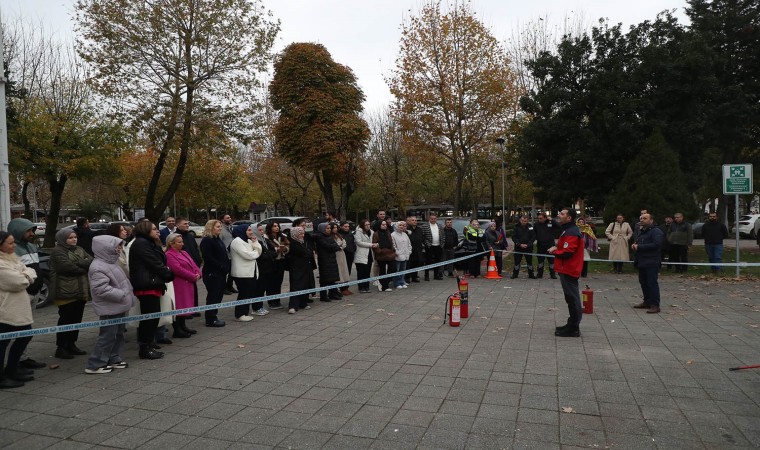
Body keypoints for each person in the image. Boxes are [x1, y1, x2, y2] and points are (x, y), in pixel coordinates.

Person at [85, 235, 136, 374]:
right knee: (107, 336)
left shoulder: (111, 263)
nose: (120, 248)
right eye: (117, 246)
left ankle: (113, 358)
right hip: (109, 307)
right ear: (106, 248)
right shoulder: (98, 267)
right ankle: (95, 363)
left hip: (118, 306)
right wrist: (121, 294)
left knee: (118, 334)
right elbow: (100, 289)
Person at [129, 221, 175, 359]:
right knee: (149, 318)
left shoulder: (149, 243)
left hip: (152, 283)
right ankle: (145, 347)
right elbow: (154, 263)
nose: (157, 231)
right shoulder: (141, 243)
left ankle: (149, 343)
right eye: (154, 229)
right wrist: (168, 274)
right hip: (147, 284)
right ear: (145, 230)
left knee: (153, 317)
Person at [0, 231, 38, 388]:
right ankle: (1, 377)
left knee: (25, 335)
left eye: (13, 242)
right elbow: (17, 282)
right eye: (10, 243)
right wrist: (26, 275)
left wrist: (26, 274)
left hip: (19, 309)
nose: (14, 245)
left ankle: (12, 368)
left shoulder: (11, 259)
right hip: (6, 310)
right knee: (2, 344)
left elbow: (30, 270)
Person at [7, 218, 46, 369]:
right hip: (22, 294)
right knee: (17, 328)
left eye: (32, 230)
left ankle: (23, 356)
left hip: (34, 293)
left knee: (27, 328)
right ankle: (13, 361)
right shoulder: (12, 250)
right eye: (28, 231)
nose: (31, 234)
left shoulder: (31, 246)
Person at [50, 228, 93, 359]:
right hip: (65, 291)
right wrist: (83, 265)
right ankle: (61, 347)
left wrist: (80, 262)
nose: (74, 239)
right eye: (70, 237)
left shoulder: (79, 249)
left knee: (76, 318)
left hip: (80, 290)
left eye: (75, 237)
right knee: (66, 319)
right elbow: (67, 267)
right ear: (63, 239)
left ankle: (71, 344)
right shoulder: (58, 251)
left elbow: (91, 260)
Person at [548, 208, 585, 337]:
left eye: (562, 214)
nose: (559, 215)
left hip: (569, 269)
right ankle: (571, 324)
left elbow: (568, 253)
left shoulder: (571, 232)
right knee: (570, 298)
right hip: (567, 268)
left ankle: (574, 328)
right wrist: (557, 248)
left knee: (572, 298)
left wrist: (555, 251)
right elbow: (565, 247)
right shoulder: (568, 230)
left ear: (569, 218)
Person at [164, 233, 200, 336]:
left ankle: (183, 326)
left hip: (188, 283)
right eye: (179, 242)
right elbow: (177, 269)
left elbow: (193, 264)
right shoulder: (169, 255)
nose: (182, 244)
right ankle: (177, 329)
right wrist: (192, 276)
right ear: (171, 244)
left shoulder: (184, 252)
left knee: (185, 304)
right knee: (179, 306)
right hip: (178, 284)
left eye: (182, 241)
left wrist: (198, 273)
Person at [229, 224, 262, 321]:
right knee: (244, 293)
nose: (251, 232)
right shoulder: (237, 241)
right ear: (242, 231)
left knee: (248, 293)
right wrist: (255, 253)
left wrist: (255, 242)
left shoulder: (247, 240)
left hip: (250, 272)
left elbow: (259, 250)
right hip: (242, 273)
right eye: (248, 230)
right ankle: (239, 314)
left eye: (251, 230)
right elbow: (248, 255)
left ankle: (244, 312)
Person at [199, 220, 230, 327]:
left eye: (220, 226)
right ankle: (210, 319)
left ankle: (214, 315)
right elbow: (208, 257)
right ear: (211, 228)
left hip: (220, 273)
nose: (220, 228)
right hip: (212, 273)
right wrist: (221, 266)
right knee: (213, 295)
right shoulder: (207, 240)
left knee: (218, 296)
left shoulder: (217, 239)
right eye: (217, 226)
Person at [632, 213, 664, 314]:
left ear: (651, 220)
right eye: (641, 218)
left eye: (645, 218)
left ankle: (655, 305)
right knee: (643, 283)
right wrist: (635, 245)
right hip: (642, 261)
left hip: (651, 261)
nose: (642, 220)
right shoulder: (642, 232)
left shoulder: (656, 231)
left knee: (652, 283)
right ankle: (647, 301)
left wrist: (639, 247)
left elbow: (656, 244)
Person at [176, 218, 202, 314]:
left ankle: (194, 308)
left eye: (188, 223)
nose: (187, 225)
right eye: (185, 224)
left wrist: (199, 261)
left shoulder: (190, 236)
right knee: (184, 292)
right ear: (178, 225)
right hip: (184, 268)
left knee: (193, 290)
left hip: (194, 267)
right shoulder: (176, 237)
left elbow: (195, 249)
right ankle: (186, 311)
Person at [286, 227, 314, 313]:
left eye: (303, 233)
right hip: (296, 268)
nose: (303, 235)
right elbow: (306, 252)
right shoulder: (294, 243)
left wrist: (308, 252)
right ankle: (293, 306)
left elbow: (309, 252)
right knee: (296, 286)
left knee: (304, 284)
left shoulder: (302, 242)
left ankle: (303, 303)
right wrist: (307, 252)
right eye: (300, 234)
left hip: (305, 267)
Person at [264, 222, 290, 308]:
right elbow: (268, 248)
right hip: (272, 262)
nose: (277, 228)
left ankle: (277, 301)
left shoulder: (282, 236)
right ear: (270, 227)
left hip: (281, 261)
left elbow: (288, 245)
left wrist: (285, 248)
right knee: (271, 283)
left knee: (279, 282)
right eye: (274, 226)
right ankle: (271, 302)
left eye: (277, 226)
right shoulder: (266, 237)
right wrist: (277, 249)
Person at [315, 223, 341, 301]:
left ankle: (332, 293)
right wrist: (333, 246)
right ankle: (323, 296)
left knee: (332, 278)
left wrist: (333, 246)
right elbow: (328, 246)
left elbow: (336, 247)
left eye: (330, 228)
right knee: (324, 279)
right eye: (327, 228)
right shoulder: (320, 237)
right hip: (324, 261)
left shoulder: (329, 237)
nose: (329, 229)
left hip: (332, 260)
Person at [371, 220, 396, 291]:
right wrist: (380, 251)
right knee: (382, 271)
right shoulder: (376, 234)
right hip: (381, 255)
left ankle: (386, 282)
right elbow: (374, 244)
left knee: (392, 268)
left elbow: (391, 242)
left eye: (385, 224)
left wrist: (393, 250)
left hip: (390, 253)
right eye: (383, 224)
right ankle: (384, 286)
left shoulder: (388, 232)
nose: (385, 226)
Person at [353, 219, 376, 293]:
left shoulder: (371, 232)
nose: (368, 226)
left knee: (367, 272)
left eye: (369, 224)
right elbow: (359, 242)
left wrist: (375, 244)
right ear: (362, 225)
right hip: (361, 254)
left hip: (369, 254)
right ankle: (361, 287)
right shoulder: (358, 232)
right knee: (361, 272)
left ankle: (367, 286)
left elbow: (373, 240)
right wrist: (371, 245)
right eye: (366, 225)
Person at [420, 213, 445, 280]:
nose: (433, 220)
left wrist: (442, 244)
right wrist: (426, 244)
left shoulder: (440, 226)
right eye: (432, 219)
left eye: (434, 219)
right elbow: (422, 237)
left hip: (438, 246)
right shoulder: (424, 226)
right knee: (428, 261)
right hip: (429, 246)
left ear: (436, 219)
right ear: (429, 219)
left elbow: (443, 235)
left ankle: (436, 275)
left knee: (437, 261)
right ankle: (426, 275)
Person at [533, 212, 558, 279]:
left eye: (541, 218)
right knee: (540, 261)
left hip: (550, 245)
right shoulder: (536, 224)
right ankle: (539, 274)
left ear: (545, 218)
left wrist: (552, 220)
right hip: (540, 245)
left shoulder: (550, 223)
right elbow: (534, 233)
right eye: (538, 218)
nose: (539, 220)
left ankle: (553, 274)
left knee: (551, 261)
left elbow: (558, 226)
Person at [220, 214, 237, 295]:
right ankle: (223, 288)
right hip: (225, 254)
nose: (230, 219)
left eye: (230, 217)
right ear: (222, 220)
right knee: (224, 272)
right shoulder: (221, 229)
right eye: (227, 218)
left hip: (232, 253)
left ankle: (229, 286)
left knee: (232, 271)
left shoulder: (231, 227)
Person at [332, 224, 351, 295]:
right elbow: (336, 244)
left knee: (344, 271)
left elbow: (344, 243)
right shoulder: (331, 237)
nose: (335, 229)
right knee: (339, 271)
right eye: (334, 228)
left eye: (336, 227)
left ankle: (345, 288)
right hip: (336, 255)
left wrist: (340, 246)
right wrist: (340, 245)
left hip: (342, 254)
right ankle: (340, 289)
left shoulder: (339, 235)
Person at [392, 221, 412, 289]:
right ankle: (396, 283)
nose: (402, 227)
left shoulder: (405, 234)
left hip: (405, 255)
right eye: (400, 225)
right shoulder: (393, 235)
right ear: (397, 226)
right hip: (398, 255)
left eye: (403, 225)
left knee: (403, 269)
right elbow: (393, 245)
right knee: (397, 270)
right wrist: (397, 253)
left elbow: (409, 244)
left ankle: (402, 281)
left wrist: (409, 251)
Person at [405, 216, 425, 283]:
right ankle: (407, 277)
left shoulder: (419, 229)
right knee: (409, 264)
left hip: (418, 249)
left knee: (416, 263)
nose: (414, 221)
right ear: (409, 221)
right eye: (413, 220)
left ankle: (414, 276)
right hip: (410, 250)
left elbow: (422, 238)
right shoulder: (407, 230)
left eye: (415, 220)